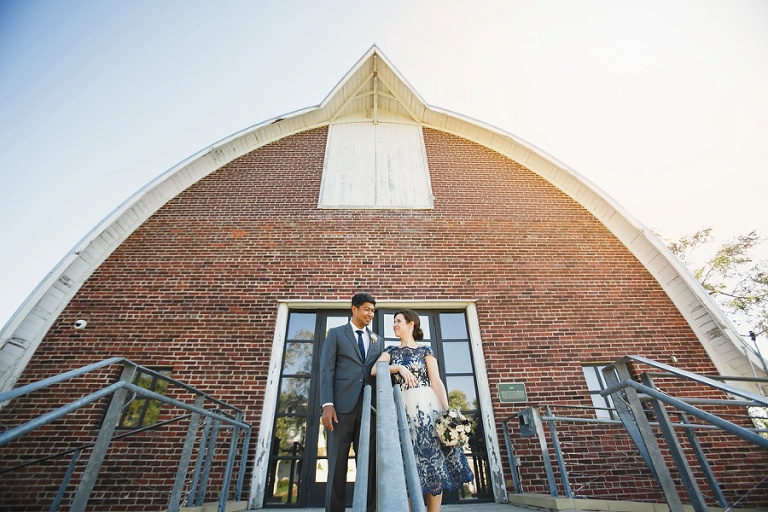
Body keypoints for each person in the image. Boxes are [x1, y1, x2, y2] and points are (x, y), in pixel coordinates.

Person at [372, 309, 473, 512]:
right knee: (409, 464)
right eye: (394, 321)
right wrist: (399, 368)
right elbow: (375, 369)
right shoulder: (390, 351)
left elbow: (436, 382)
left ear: (411, 324)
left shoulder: (425, 350)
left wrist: (448, 413)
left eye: (398, 321)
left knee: (434, 462)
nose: (394, 324)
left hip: (428, 410)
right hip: (403, 411)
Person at [319, 292, 383, 512]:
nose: (370, 314)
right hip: (340, 409)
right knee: (337, 464)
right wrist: (327, 404)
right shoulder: (336, 334)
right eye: (366, 309)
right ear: (353, 309)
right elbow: (326, 370)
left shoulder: (377, 340)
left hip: (369, 410)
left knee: (368, 464)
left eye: (373, 310)